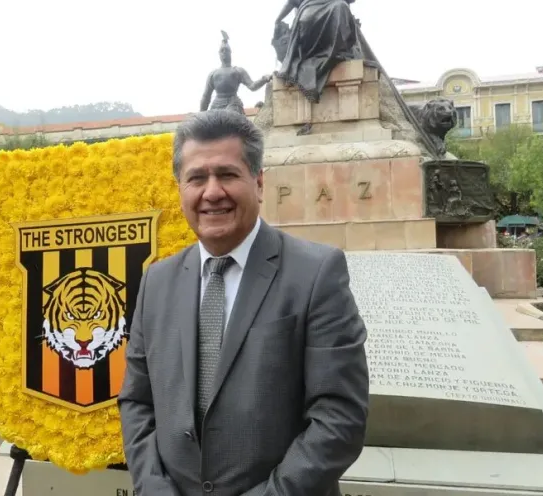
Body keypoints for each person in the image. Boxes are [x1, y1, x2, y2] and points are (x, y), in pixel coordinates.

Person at [118, 110, 369, 496]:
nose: (212, 192)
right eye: (196, 178)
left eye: (227, 174)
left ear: (259, 182)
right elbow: (137, 401)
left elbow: (340, 417)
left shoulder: (317, 273)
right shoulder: (157, 281)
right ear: (180, 188)